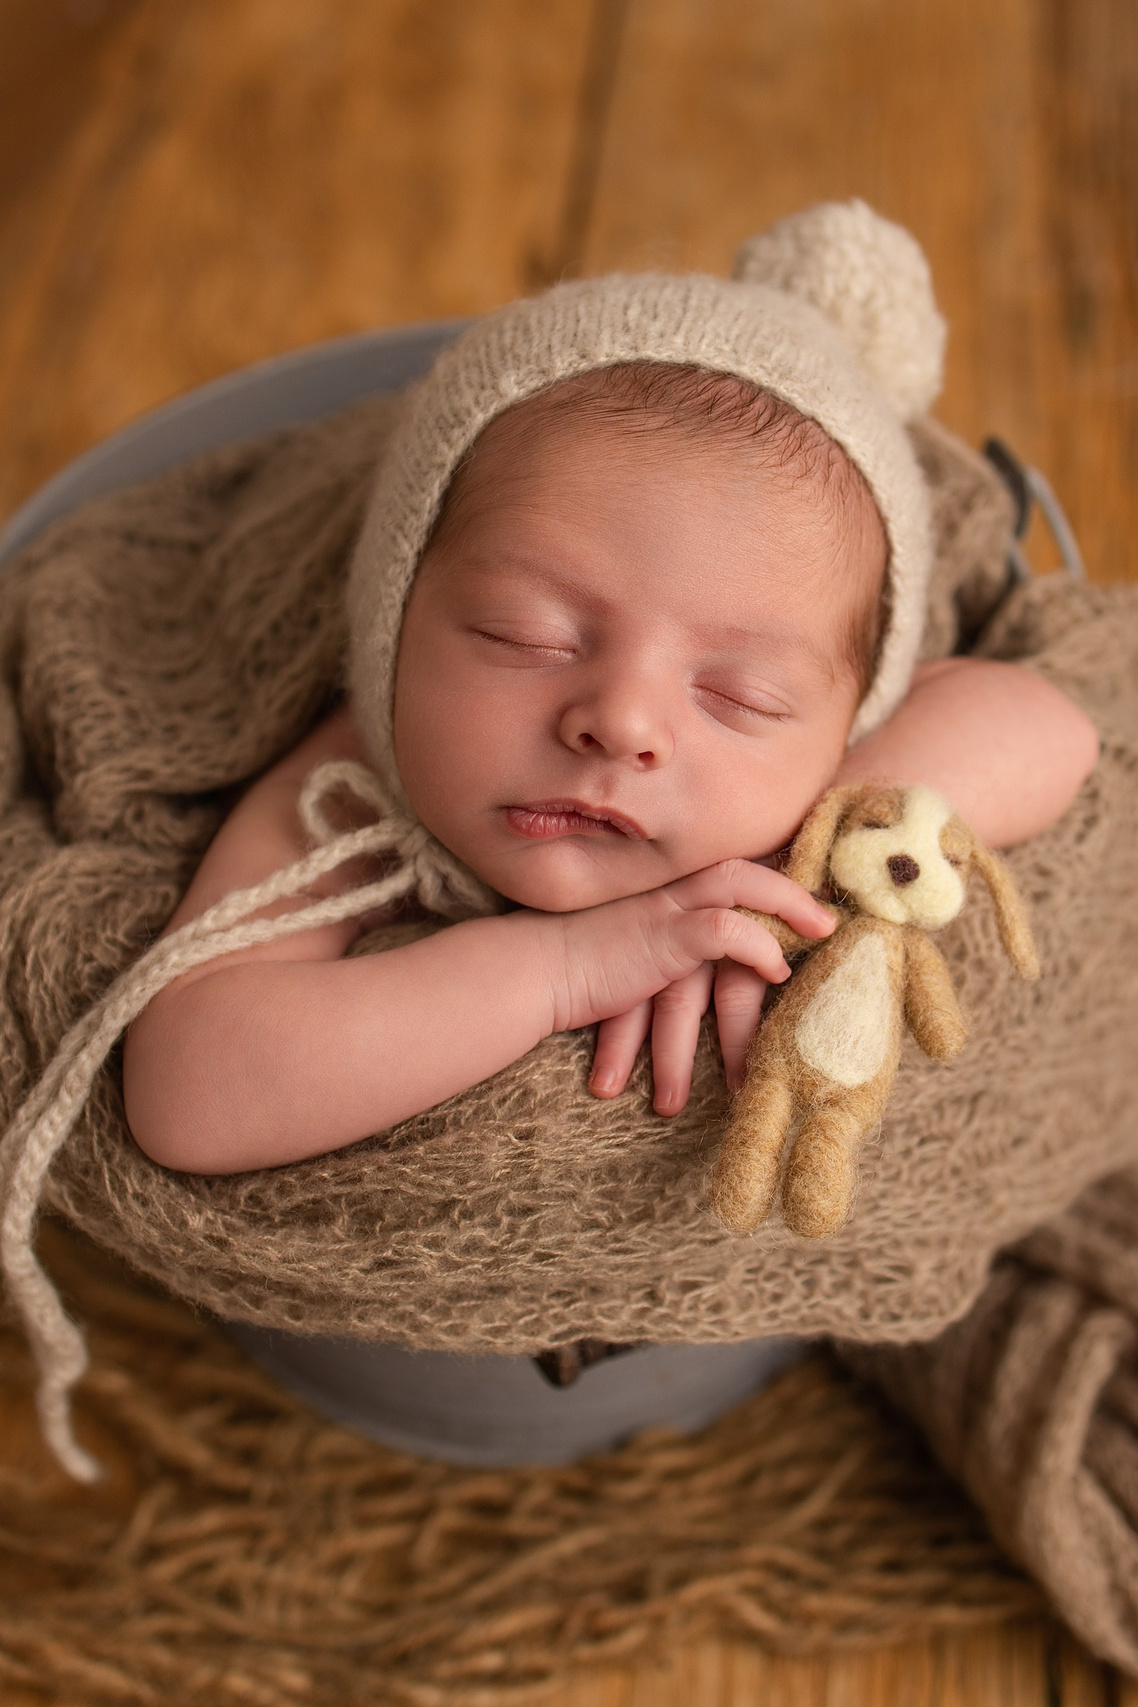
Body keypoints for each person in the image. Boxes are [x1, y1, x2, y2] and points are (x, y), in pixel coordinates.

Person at [121, 347, 1097, 1174]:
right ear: (391, 631)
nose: (622, 721)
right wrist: (565, 968)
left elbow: (1052, 727)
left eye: (739, 695)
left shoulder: (815, 785)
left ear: (847, 723)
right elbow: (188, 1093)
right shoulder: (353, 792)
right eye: (527, 636)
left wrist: (803, 847)